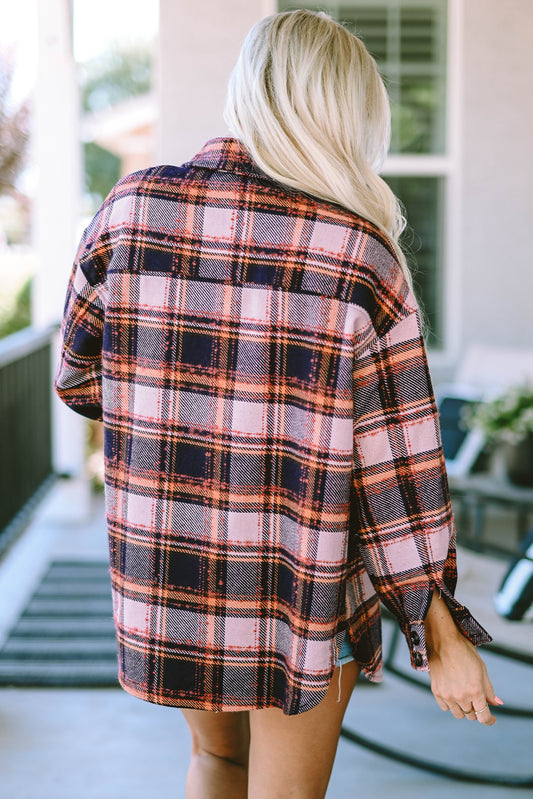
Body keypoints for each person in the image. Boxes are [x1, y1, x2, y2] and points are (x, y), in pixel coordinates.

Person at [55, 9, 502, 799]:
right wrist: (440, 628)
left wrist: (178, 429)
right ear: (343, 116)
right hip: (303, 584)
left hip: (174, 572)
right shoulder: (358, 255)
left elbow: (79, 376)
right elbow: (394, 478)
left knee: (215, 763)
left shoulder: (128, 211)